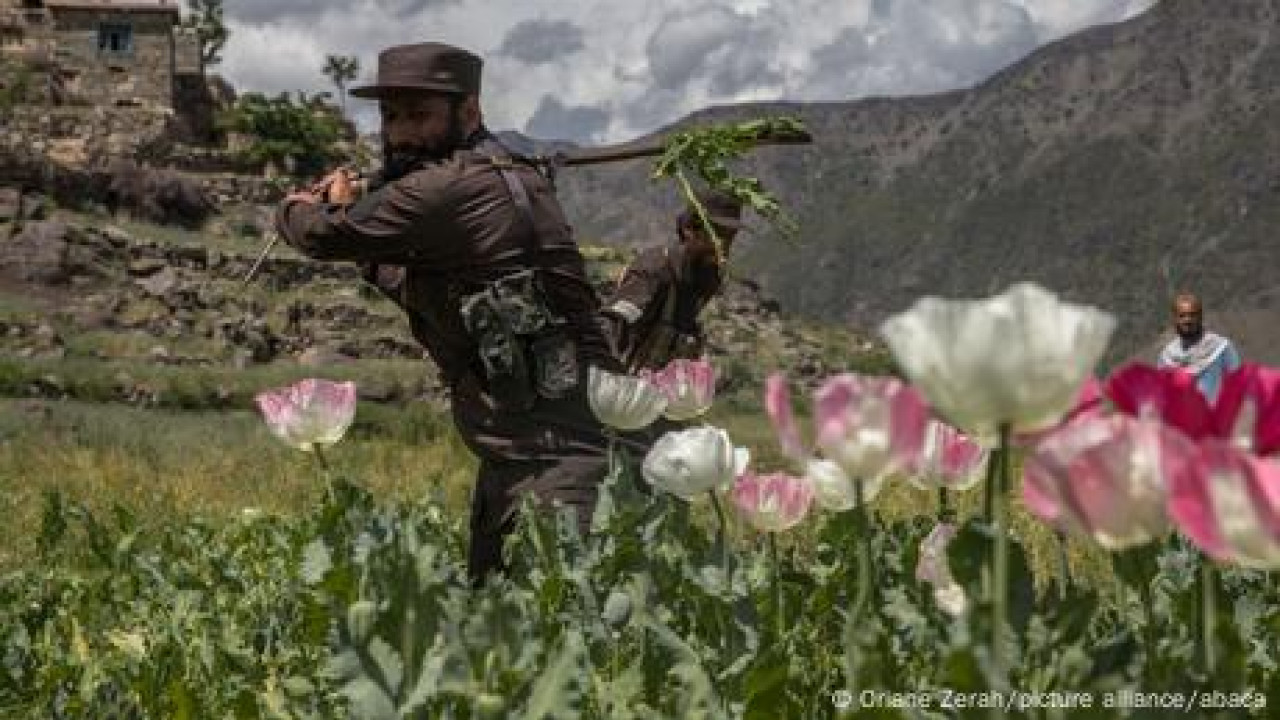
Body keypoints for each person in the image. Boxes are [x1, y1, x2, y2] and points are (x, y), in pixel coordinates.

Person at [273, 42, 622, 584]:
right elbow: (434, 293)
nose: (402, 133)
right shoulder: (508, 177)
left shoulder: (449, 189)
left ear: (470, 112)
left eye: (420, 116)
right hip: (520, 459)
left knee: (569, 646)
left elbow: (320, 235)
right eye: (391, 117)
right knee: (500, 646)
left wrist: (299, 204)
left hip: (560, 467)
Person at [603, 189, 744, 372]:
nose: (723, 244)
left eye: (730, 236)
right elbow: (610, 330)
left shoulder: (708, 278)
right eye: (716, 233)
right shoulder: (655, 270)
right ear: (689, 230)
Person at [1157, 292, 1240, 402]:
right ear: (1175, 319)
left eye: (1192, 314)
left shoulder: (1221, 349)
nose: (1187, 320)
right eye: (1182, 316)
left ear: (1200, 316)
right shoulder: (1167, 358)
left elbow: (1239, 387)